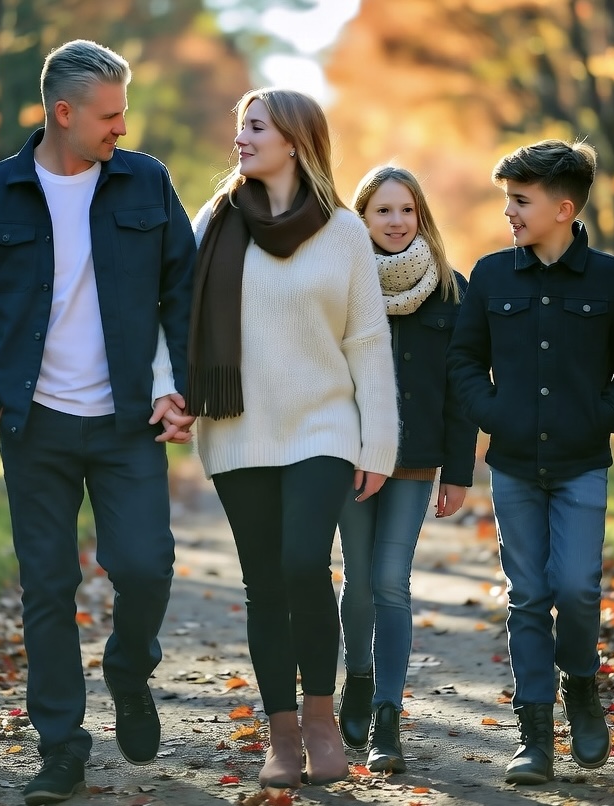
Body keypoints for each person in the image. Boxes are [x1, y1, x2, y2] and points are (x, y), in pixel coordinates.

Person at [0, 39, 197, 806]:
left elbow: (181, 290)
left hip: (127, 423)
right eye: (110, 114)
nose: (123, 125)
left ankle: (128, 668)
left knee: (145, 566)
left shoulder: (146, 182)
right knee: (48, 587)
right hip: (35, 428)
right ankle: (61, 747)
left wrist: (177, 388)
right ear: (64, 112)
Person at [184, 88, 400, 789]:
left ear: (294, 143)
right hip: (236, 426)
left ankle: (319, 717)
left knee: (305, 563)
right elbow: (175, 315)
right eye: (240, 125)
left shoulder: (342, 230)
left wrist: (378, 444)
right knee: (263, 582)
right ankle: (279, 732)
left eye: (254, 126)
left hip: (322, 427)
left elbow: (366, 342)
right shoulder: (212, 223)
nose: (240, 137)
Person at [447, 139, 614, 785]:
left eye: (520, 200)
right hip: (512, 464)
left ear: (562, 208)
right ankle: (533, 736)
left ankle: (582, 688)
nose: (507, 211)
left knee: (575, 587)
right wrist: (495, 415)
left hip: (580, 464)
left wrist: (598, 417)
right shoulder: (489, 276)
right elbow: (461, 361)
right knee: (529, 596)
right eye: (505, 199)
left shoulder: (609, 278)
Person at [336, 166, 478, 773]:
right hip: (352, 454)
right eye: (383, 211)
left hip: (416, 460)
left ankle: (387, 717)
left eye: (407, 211)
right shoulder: (340, 281)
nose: (396, 222)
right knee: (359, 580)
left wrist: (459, 468)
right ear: (362, 219)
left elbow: (461, 388)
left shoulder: (453, 290)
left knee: (391, 580)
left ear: (422, 216)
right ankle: (360, 681)